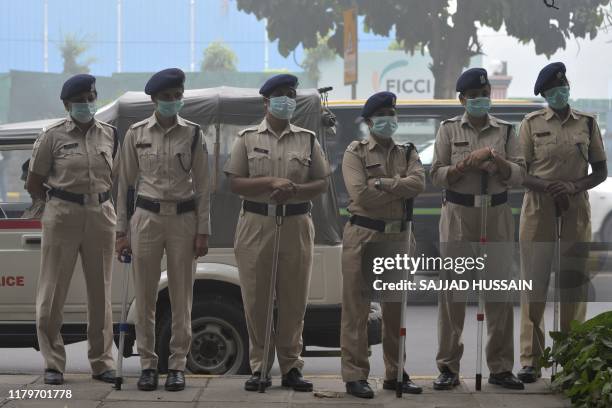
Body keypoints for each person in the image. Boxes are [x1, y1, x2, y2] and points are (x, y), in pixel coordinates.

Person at [223, 74, 330, 392]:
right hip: (257, 224)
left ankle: (291, 368)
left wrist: (295, 189)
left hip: (297, 223)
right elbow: (234, 182)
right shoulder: (246, 138)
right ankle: (259, 368)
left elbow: (322, 183)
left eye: (291, 95)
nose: (287, 100)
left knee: (294, 301)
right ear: (266, 102)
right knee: (256, 300)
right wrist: (270, 183)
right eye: (281, 95)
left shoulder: (308, 139)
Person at [115, 68, 211, 392]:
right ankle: (147, 364)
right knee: (145, 298)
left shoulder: (194, 134)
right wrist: (121, 232)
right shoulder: (136, 133)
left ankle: (177, 366)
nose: (174, 102)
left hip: (183, 219)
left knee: (182, 296)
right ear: (154, 99)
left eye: (178, 96)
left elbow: (204, 187)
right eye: (167, 97)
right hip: (146, 218)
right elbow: (124, 185)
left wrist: (203, 231)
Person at [430, 68, 526, 390]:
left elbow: (519, 174)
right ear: (462, 99)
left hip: (496, 212)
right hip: (458, 214)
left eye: (484, 96)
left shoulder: (507, 131)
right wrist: (467, 163)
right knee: (452, 295)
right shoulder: (447, 130)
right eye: (474, 97)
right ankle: (448, 367)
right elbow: (436, 175)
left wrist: (497, 163)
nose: (480, 101)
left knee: (499, 292)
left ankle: (500, 368)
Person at [517, 62, 607, 383]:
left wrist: (572, 186)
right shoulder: (530, 124)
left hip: (575, 206)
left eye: (563, 88)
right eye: (553, 91)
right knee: (534, 284)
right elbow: (520, 172)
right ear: (544, 95)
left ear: (569, 87)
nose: (560, 93)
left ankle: (572, 357)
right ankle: (531, 360)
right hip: (538, 207)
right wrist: (548, 187)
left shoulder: (587, 123)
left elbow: (600, 170)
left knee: (573, 282)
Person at [27, 74, 118, 385]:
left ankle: (102, 362)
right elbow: (34, 183)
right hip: (62, 214)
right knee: (52, 291)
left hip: (101, 214)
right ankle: (53, 363)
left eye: (91, 97)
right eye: (80, 100)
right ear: (67, 104)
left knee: (101, 292)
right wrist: (57, 205)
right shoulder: (51, 136)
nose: (87, 104)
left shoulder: (110, 134)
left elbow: (114, 178)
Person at [340, 91, 425, 399]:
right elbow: (360, 195)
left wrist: (384, 184)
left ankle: (395, 372)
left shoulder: (408, 151)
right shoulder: (356, 152)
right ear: (369, 121)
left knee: (395, 310)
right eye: (382, 114)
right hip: (364, 234)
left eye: (392, 113)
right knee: (357, 309)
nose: (388, 119)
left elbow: (419, 184)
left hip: (398, 237)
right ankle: (355, 375)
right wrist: (399, 188)